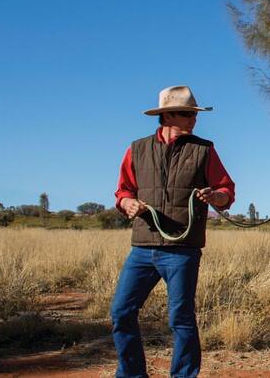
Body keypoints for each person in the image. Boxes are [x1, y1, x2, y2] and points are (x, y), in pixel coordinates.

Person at [112, 85, 236, 378]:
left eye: (194, 114)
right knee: (121, 312)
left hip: (183, 250)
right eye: (186, 114)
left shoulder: (204, 150)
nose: (194, 119)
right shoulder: (137, 149)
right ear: (167, 116)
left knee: (181, 318)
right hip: (143, 248)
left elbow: (226, 191)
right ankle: (131, 374)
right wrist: (127, 203)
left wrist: (216, 197)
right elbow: (123, 191)